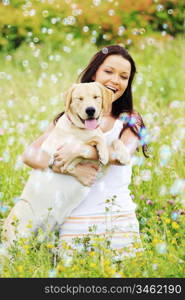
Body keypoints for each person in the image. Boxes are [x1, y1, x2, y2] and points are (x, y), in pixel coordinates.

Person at [22, 45, 148, 254]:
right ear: (94, 73)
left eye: (124, 76)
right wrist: (66, 167)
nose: (115, 80)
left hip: (118, 219)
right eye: (108, 72)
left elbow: (121, 156)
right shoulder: (69, 119)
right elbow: (30, 155)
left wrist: (81, 151)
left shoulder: (130, 120)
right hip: (75, 221)